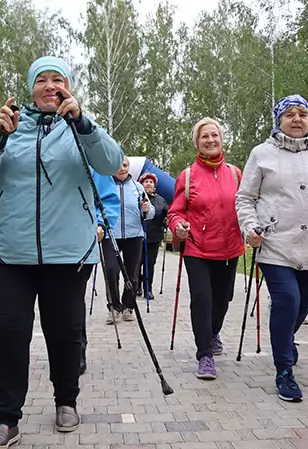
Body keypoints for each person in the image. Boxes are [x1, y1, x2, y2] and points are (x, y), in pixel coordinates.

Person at [0, 56, 122, 448]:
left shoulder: (81, 127)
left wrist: (83, 124)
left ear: (68, 86)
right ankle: (6, 418)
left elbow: (111, 162)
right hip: (9, 255)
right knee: (9, 337)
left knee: (65, 334)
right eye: (41, 80)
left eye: (57, 80)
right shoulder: (10, 128)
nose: (50, 86)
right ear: (31, 88)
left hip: (68, 254)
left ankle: (66, 400)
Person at [235, 94, 308, 402]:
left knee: (302, 306)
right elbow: (245, 197)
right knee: (287, 300)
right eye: (290, 114)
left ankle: (285, 339)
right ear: (279, 119)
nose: (297, 119)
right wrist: (250, 227)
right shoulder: (262, 153)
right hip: (274, 241)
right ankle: (284, 370)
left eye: (303, 113)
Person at [167, 117, 245, 380]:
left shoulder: (235, 173)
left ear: (222, 139)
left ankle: (212, 333)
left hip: (230, 247)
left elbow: (246, 205)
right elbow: (175, 211)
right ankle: (205, 356)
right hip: (197, 248)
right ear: (197, 143)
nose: (211, 140)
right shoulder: (188, 176)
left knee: (223, 300)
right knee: (202, 298)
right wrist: (178, 226)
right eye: (205, 137)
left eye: (215, 135)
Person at [102, 156, 154, 324]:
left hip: (134, 235)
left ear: (129, 167)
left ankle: (128, 306)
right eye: (118, 165)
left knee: (132, 274)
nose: (122, 168)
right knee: (111, 270)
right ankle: (114, 307)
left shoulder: (138, 187)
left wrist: (146, 209)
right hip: (112, 235)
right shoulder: (106, 186)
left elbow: (150, 213)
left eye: (125, 165)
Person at [81, 172, 121, 375]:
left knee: (72, 297)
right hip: (36, 243)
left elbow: (106, 198)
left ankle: (76, 350)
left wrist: (100, 222)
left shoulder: (88, 152)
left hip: (79, 239)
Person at [138, 172, 168, 300]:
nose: (148, 184)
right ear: (142, 184)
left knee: (150, 263)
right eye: (146, 182)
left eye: (151, 182)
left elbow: (165, 214)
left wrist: (166, 221)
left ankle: (148, 288)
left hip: (154, 237)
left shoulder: (160, 200)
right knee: (137, 263)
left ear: (154, 185)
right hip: (139, 236)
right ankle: (137, 286)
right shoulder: (137, 197)